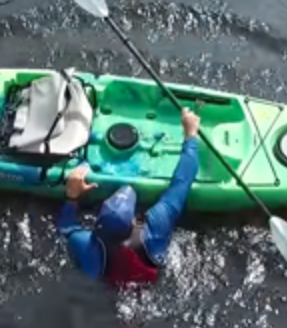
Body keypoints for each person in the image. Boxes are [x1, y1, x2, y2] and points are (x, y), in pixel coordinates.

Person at [56, 107, 201, 285]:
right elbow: (183, 181)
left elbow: (66, 228)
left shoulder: (88, 246)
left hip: (109, 283)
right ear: (134, 221)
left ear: (97, 223)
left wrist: (72, 196)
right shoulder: (155, 229)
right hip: (146, 284)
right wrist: (191, 134)